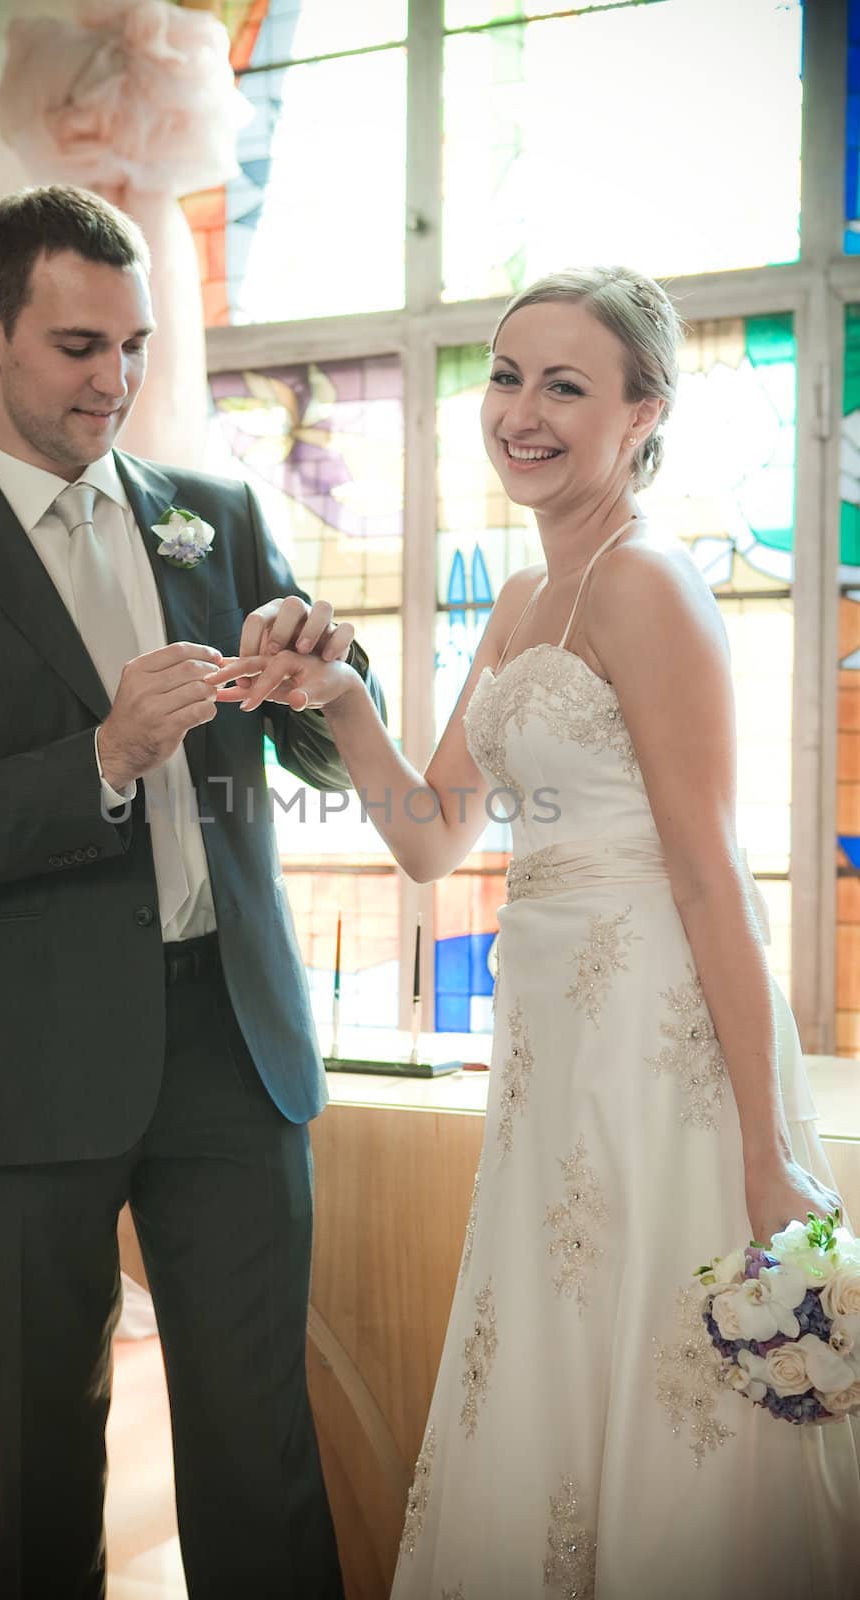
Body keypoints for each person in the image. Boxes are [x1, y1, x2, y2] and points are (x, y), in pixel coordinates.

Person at [211, 265, 860, 1597]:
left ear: (643, 415)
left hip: (655, 1048)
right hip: (549, 1047)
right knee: (553, 1346)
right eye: (509, 375)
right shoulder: (518, 603)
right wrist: (339, 698)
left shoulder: (650, 585)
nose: (523, 408)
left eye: (568, 384)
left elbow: (711, 876)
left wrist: (768, 1147)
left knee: (664, 1370)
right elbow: (431, 835)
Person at [0, 183, 383, 1600]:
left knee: (260, 1453)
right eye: (79, 346)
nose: (116, 380)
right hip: (21, 1063)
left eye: (133, 346)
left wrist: (331, 671)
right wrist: (103, 756)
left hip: (233, 1051)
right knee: (42, 1468)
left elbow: (316, 729)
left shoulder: (216, 515)